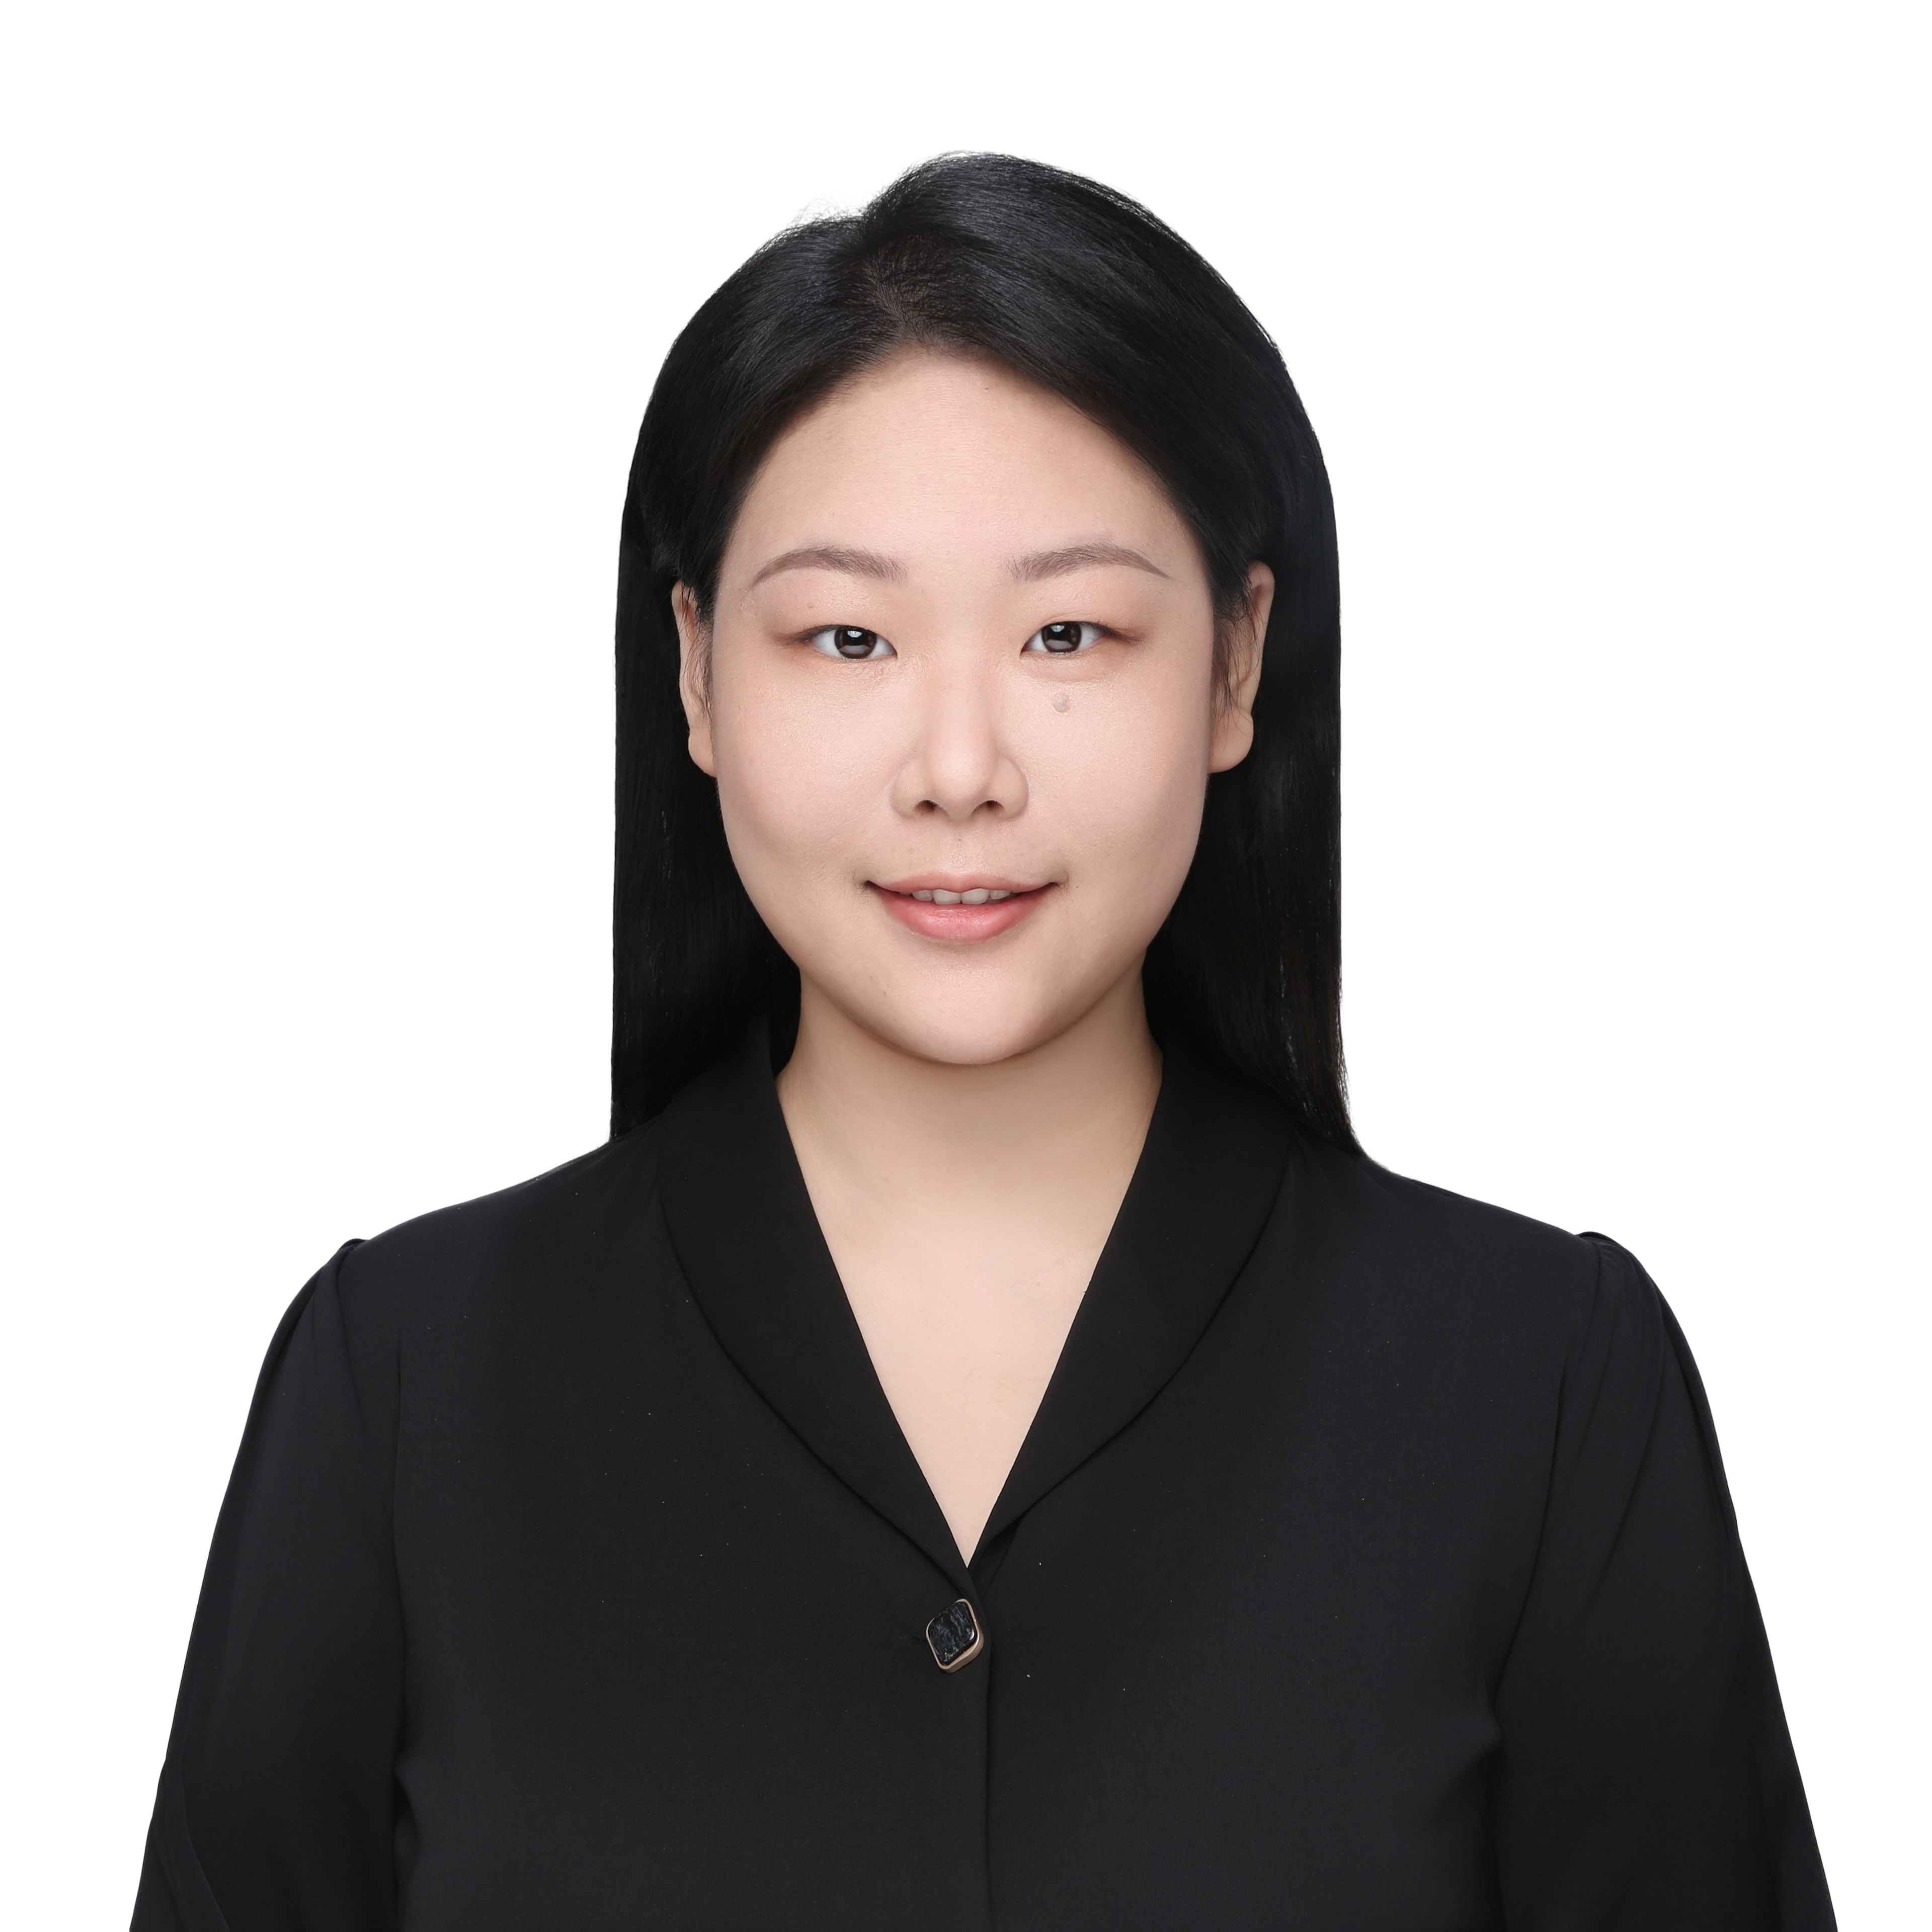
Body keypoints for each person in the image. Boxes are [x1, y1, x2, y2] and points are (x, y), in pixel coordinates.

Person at [132, 154, 1834, 1930]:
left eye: (1067, 632)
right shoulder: (401, 1391)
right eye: (848, 636)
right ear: (697, 673)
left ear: (1236, 663)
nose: (960, 768)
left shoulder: (1546, 1392)